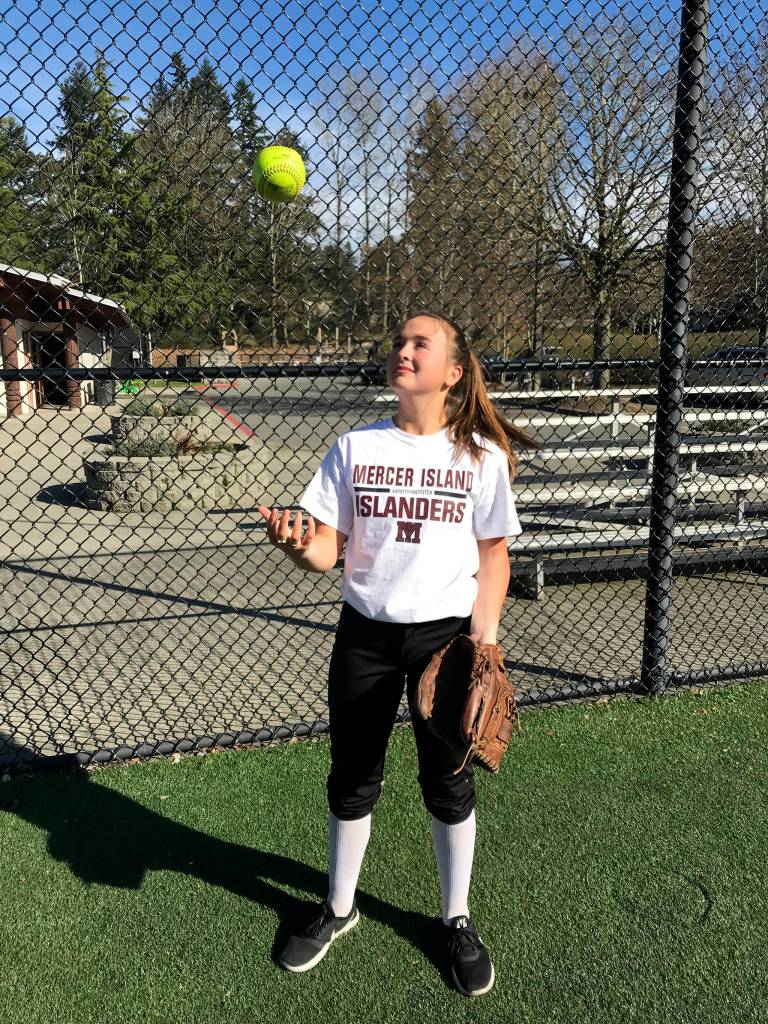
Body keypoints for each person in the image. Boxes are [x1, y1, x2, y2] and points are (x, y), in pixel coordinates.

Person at [257, 310, 538, 997]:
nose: (404, 352)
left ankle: (456, 918)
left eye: (421, 344)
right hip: (366, 635)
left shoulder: (481, 456)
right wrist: (299, 548)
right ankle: (340, 907)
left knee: (447, 782)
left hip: (446, 641)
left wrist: (487, 638)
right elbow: (328, 549)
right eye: (399, 343)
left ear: (453, 372)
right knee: (352, 775)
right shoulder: (355, 448)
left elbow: (494, 561)